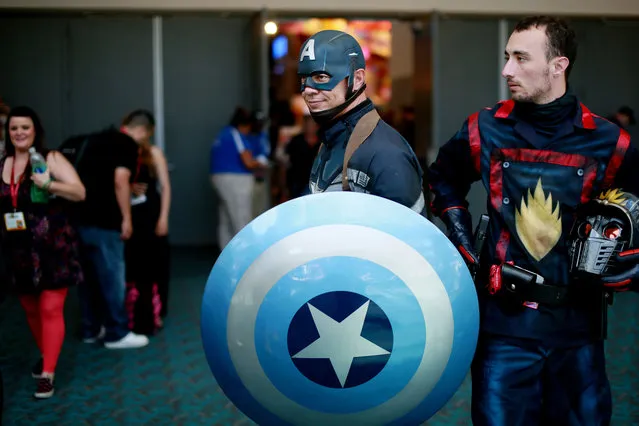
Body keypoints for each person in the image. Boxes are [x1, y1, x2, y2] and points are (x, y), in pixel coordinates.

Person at [427, 16, 639, 425]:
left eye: (521, 58)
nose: (507, 69)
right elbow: (443, 178)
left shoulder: (609, 141)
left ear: (557, 66)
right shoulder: (484, 128)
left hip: (578, 330)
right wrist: (463, 241)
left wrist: (631, 261)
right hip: (504, 330)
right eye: (507, 57)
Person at [0, 106, 86, 398]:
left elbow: (79, 192)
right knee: (30, 309)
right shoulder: (4, 163)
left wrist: (49, 184)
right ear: (7, 132)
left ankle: (47, 373)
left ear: (35, 130)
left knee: (50, 308)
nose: (19, 133)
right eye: (14, 128)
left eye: (25, 127)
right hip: (17, 249)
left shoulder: (50, 158)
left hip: (52, 247)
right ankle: (47, 353)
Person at [297, 30, 425, 214]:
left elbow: (408, 238)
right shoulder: (332, 140)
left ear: (357, 79)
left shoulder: (386, 154)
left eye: (321, 77)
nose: (308, 90)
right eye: (304, 79)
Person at [61, 110, 152, 349]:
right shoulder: (127, 145)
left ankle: (91, 329)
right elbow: (120, 180)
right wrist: (126, 218)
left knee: (87, 279)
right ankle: (117, 332)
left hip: (77, 218)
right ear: (143, 131)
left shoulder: (87, 140)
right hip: (105, 220)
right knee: (112, 277)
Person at [125, 111, 172, 335]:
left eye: (140, 129)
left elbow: (166, 187)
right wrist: (129, 188)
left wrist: (163, 217)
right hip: (130, 213)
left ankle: (156, 310)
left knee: (156, 263)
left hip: (151, 213)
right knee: (133, 263)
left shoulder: (154, 153)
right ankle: (134, 311)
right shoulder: (123, 152)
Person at [209, 107, 267, 251]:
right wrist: (260, 163)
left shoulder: (223, 133)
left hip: (220, 179)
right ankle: (244, 258)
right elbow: (247, 162)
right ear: (245, 125)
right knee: (242, 220)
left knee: (226, 220)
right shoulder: (236, 134)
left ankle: (226, 256)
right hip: (236, 180)